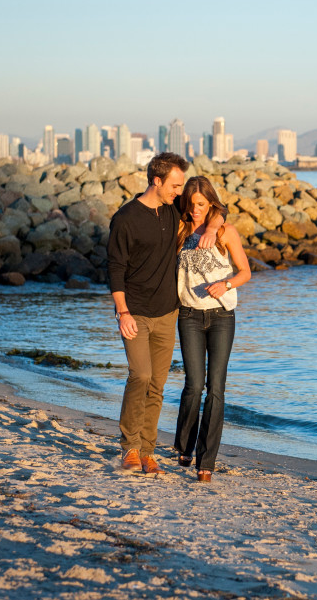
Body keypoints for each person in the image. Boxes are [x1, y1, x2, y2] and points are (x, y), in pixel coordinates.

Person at [107, 153, 221, 475]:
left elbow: (215, 208)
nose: (179, 191)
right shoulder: (126, 218)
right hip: (136, 313)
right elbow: (114, 268)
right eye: (175, 185)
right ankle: (129, 447)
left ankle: (148, 451)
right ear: (157, 181)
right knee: (139, 376)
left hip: (168, 312)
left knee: (157, 384)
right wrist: (122, 312)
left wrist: (214, 225)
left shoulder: (173, 210)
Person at [173, 176, 251, 482]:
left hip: (222, 317)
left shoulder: (225, 232)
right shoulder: (180, 229)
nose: (195, 210)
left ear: (210, 203)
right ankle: (184, 446)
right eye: (191, 205)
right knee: (194, 385)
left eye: (201, 205)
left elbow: (245, 272)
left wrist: (226, 283)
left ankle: (207, 462)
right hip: (189, 315)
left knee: (216, 388)